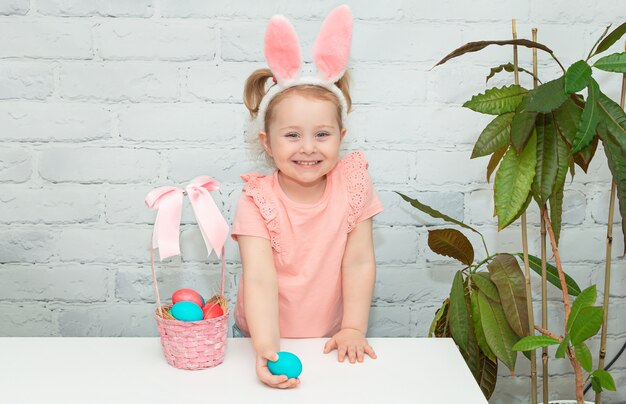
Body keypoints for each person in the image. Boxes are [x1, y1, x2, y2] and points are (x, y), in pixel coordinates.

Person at [231, 5, 384, 389]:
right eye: (292, 135)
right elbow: (260, 279)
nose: (308, 148)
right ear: (267, 143)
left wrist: (353, 327)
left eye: (322, 134)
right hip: (260, 337)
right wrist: (267, 350)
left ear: (341, 138)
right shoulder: (256, 200)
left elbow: (360, 262)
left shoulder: (353, 185)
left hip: (331, 338)